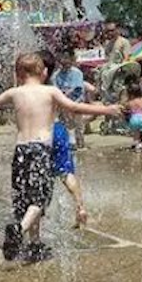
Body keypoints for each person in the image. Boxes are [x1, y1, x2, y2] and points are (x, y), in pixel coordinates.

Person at [0, 53, 121, 262]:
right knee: (40, 199)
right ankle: (19, 230)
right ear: (43, 72)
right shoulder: (50, 91)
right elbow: (74, 107)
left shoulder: (14, 93)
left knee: (25, 200)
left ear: (18, 74)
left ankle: (35, 244)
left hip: (20, 151)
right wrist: (106, 110)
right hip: (40, 150)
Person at [39, 50, 88, 228]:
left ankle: (40, 212)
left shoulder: (32, 89)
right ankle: (80, 207)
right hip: (58, 129)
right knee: (66, 173)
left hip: (40, 134)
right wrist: (105, 110)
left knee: (42, 174)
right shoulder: (53, 86)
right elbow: (72, 106)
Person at [51, 52, 87, 149]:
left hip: (76, 102)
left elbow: (77, 88)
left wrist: (66, 94)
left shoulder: (77, 73)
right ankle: (67, 144)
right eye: (63, 63)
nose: (65, 65)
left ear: (71, 62)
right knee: (65, 125)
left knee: (78, 125)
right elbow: (55, 89)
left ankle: (80, 144)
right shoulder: (56, 76)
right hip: (63, 103)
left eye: (67, 63)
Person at [124, 83, 142, 152]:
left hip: (133, 119)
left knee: (136, 134)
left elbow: (125, 105)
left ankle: (138, 146)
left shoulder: (130, 102)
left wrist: (127, 97)